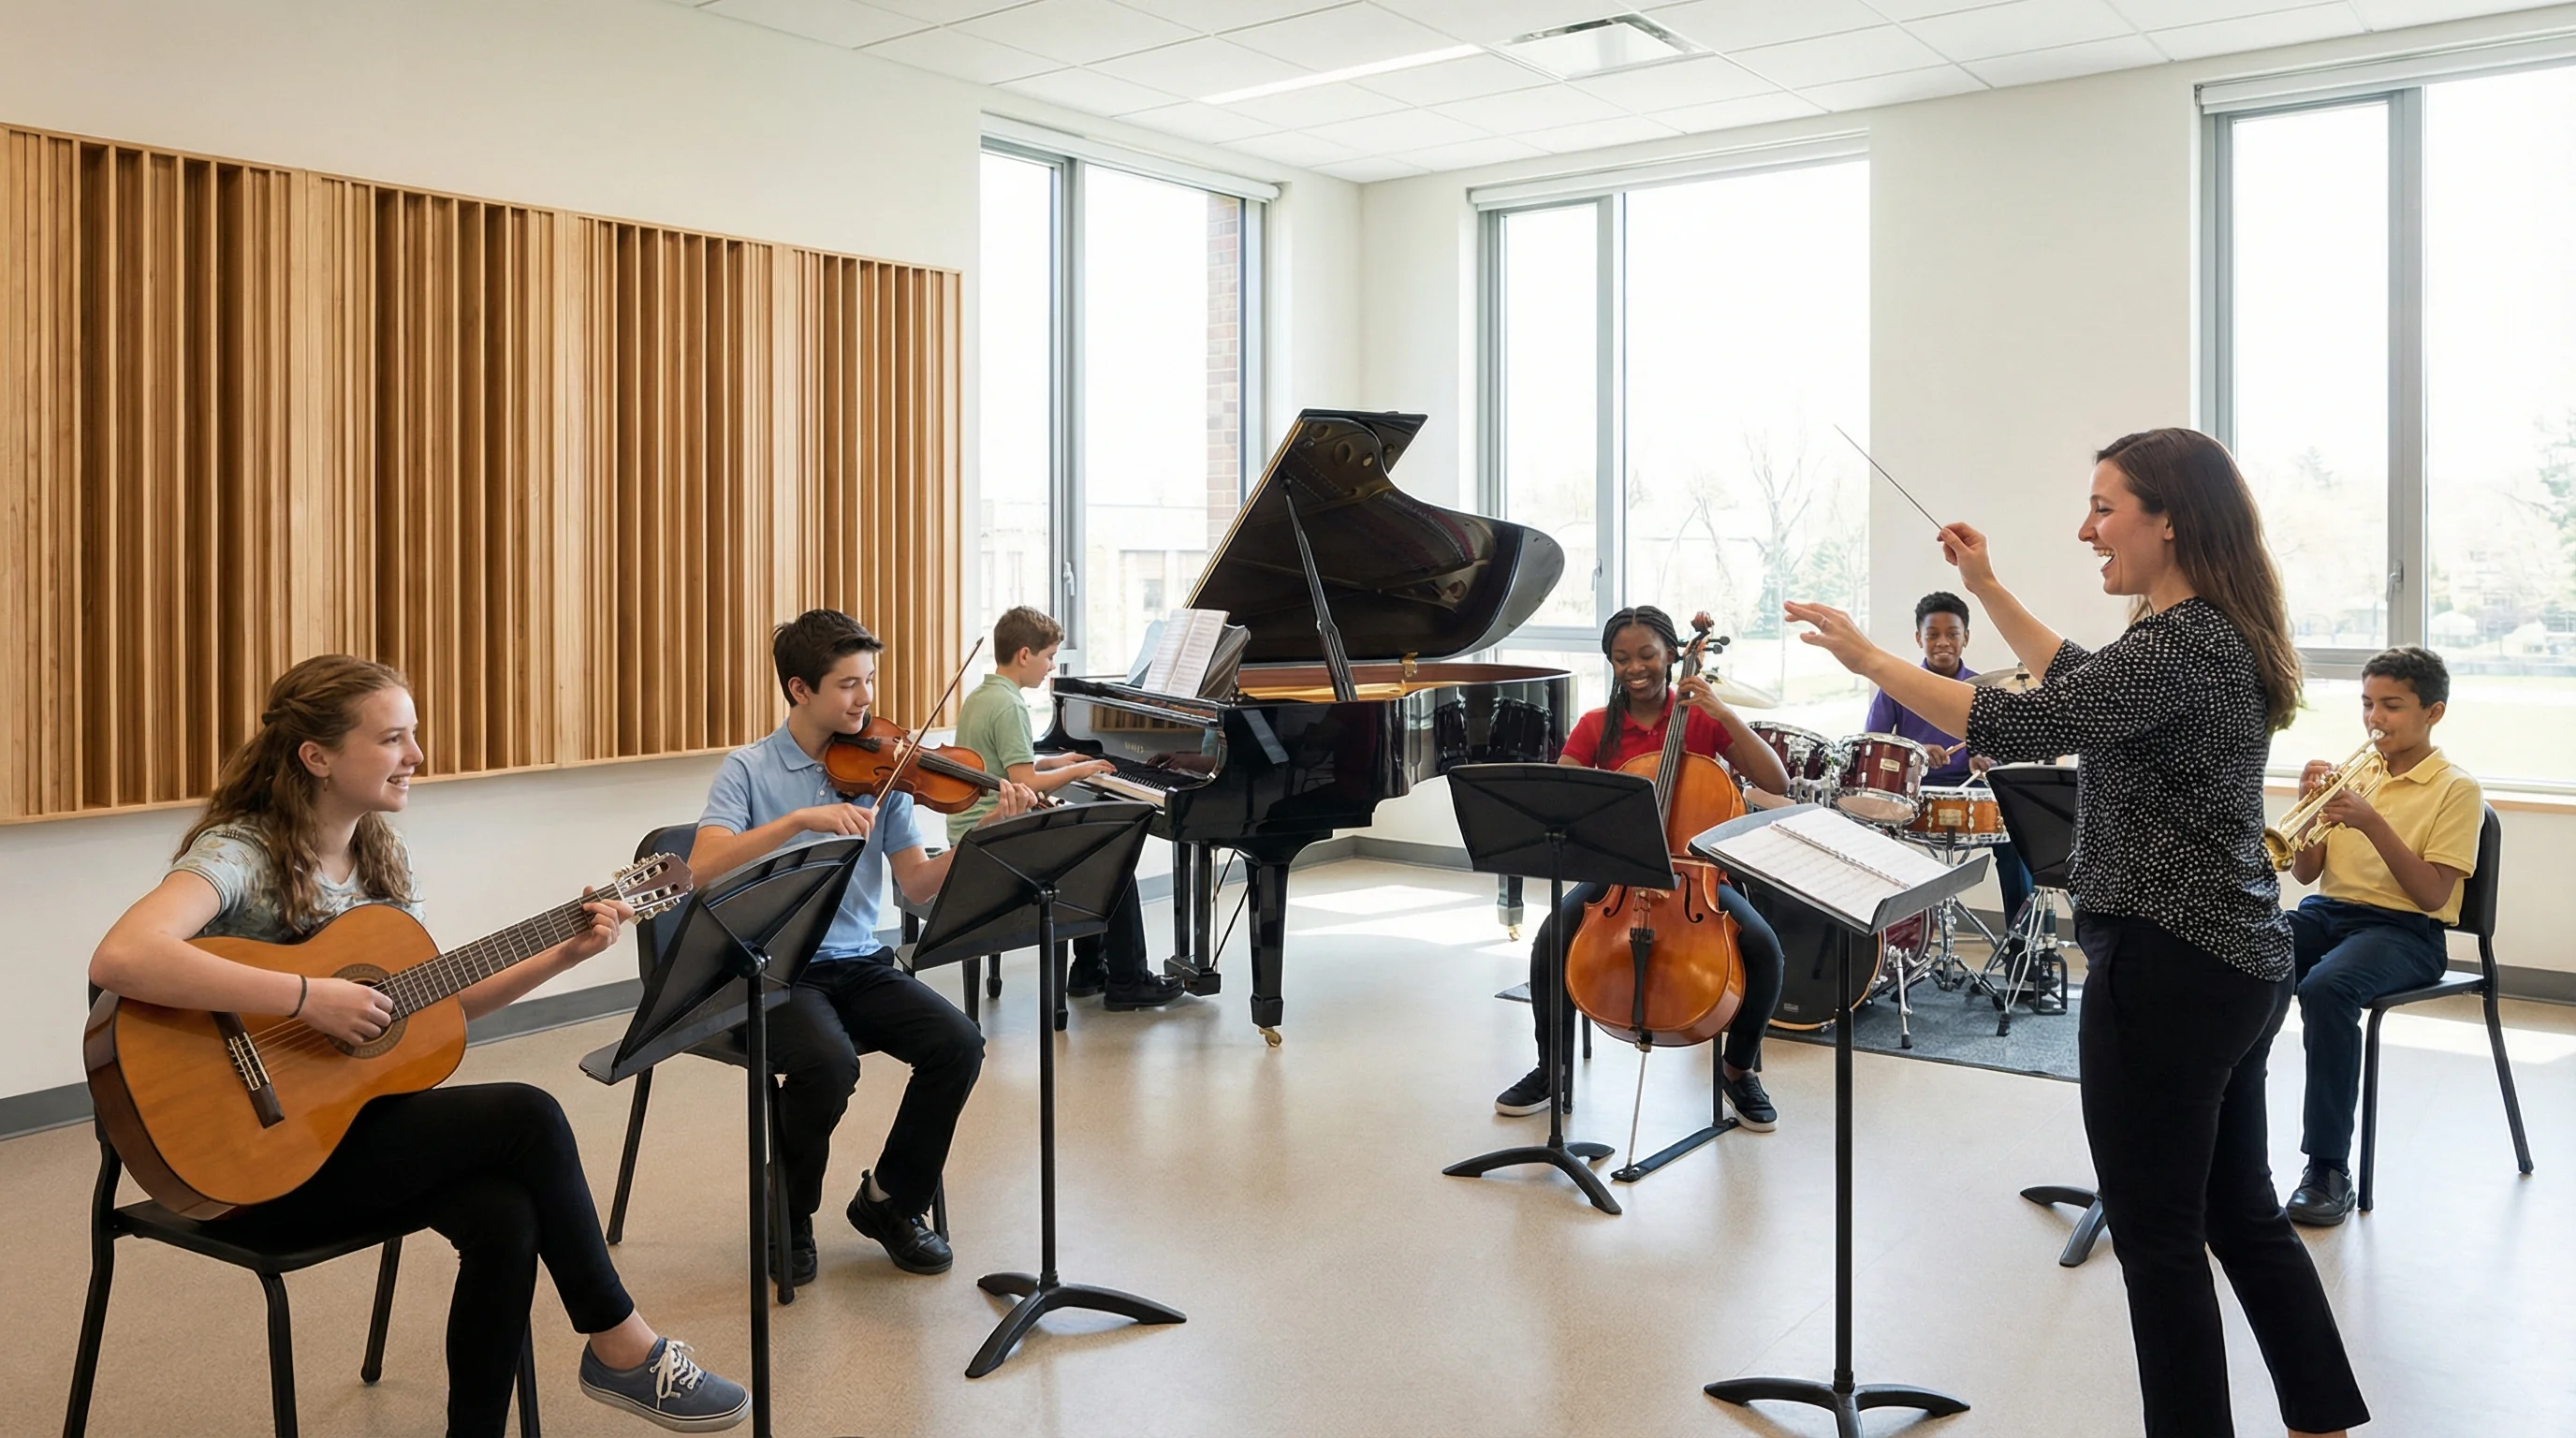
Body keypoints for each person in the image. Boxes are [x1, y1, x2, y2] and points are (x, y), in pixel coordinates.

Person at [1786, 428, 2367, 1438]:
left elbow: (2015, 723)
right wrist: (1989, 583)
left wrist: (1865, 654)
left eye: (2104, 508)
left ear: (2168, 521)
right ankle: (2322, 1417)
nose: (2086, 529)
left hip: (2167, 966)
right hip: (2229, 959)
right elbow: (2081, 681)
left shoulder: (2186, 642)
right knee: (2238, 1214)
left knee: (2157, 1238)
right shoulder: (2202, 632)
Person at [88, 655, 749, 1436]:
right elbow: (121, 958)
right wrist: (309, 996)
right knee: (529, 1115)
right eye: (394, 737)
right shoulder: (242, 853)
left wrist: (563, 952)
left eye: (413, 735)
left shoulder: (379, 863)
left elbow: (438, 1001)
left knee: (506, 1216)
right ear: (318, 756)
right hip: (249, 1167)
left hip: (341, 1139)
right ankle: (621, 1345)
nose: (417, 757)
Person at [690, 610, 1035, 1285]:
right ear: (799, 689)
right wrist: (797, 819)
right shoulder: (750, 771)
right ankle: (789, 1208)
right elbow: (702, 866)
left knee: (958, 1042)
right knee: (828, 1062)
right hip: (775, 968)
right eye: (848, 684)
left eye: (868, 681)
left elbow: (916, 886)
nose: (865, 700)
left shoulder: (889, 768)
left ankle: (889, 1202)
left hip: (857, 961)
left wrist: (982, 833)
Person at [1492, 606, 1794, 1131]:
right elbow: (1562, 797)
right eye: (1621, 658)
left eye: (1648, 655)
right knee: (1552, 937)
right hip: (1619, 873)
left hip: (1691, 877)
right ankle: (1549, 1070)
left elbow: (1777, 780)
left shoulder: (1700, 719)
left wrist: (1724, 714)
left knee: (1764, 947)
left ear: (1674, 654)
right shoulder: (1595, 727)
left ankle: (1737, 1070)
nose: (1635, 667)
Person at [2281, 645, 2482, 1226]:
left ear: (2433, 713)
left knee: (2326, 990)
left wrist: (2371, 821)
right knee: (2251, 950)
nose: (2375, 720)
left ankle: (2327, 1169)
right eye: (2368, 704)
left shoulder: (2455, 789)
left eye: (2392, 706)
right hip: (2328, 909)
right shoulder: (2357, 774)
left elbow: (2431, 896)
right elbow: (2304, 872)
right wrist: (2309, 807)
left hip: (2406, 930)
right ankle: (2219, 1133)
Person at [950, 605, 1182, 1010]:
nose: (1050, 667)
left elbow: (1008, 767)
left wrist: (1055, 764)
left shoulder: (984, 695)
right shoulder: (1010, 706)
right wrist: (1087, 769)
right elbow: (1023, 783)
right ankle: (1129, 982)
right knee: (1115, 855)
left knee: (1096, 845)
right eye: (1049, 657)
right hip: (993, 838)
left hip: (974, 828)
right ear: (1025, 655)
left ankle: (1088, 969)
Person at [1862, 591, 2046, 937]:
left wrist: (1989, 756)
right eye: (1933, 635)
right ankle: (1886, 946)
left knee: (2017, 844)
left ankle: (2021, 951)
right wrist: (1916, 752)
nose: (1942, 642)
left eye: (1952, 634)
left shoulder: (1988, 689)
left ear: (1966, 637)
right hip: (1914, 793)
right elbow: (1876, 745)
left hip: (1972, 789)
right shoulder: (1897, 686)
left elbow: (2009, 747)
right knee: (1868, 833)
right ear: (1919, 638)